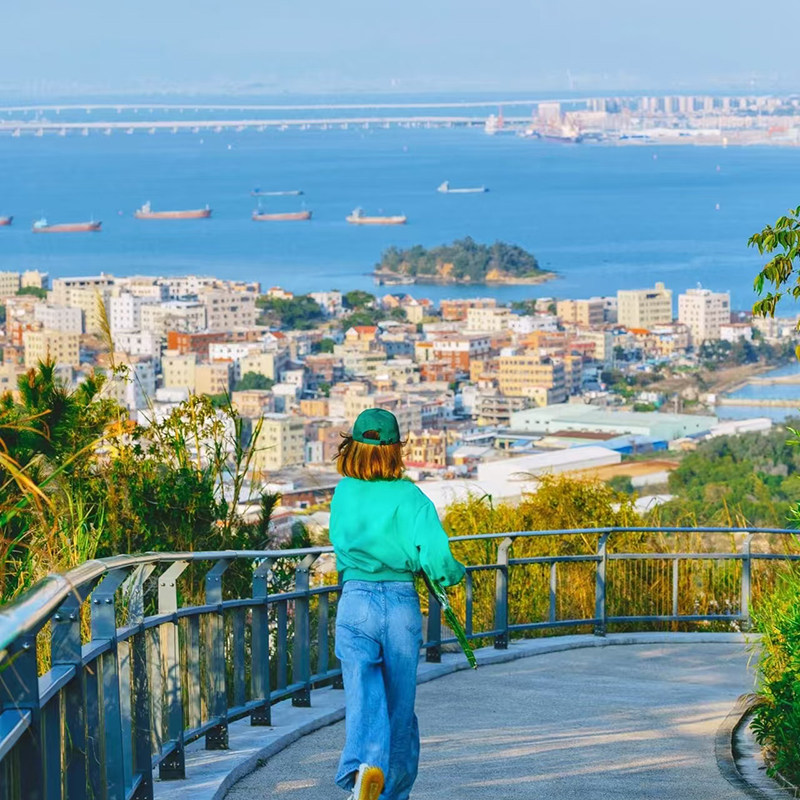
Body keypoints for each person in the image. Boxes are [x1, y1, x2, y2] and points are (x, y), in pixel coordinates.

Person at [329, 408, 465, 800]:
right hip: (402, 604)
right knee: (400, 709)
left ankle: (364, 767)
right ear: (396, 450)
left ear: (353, 448)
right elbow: (438, 558)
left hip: (356, 600)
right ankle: (390, 792)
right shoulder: (412, 498)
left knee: (362, 687)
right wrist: (453, 574)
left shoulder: (344, 492)